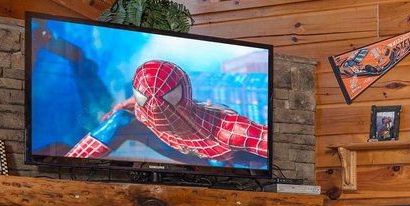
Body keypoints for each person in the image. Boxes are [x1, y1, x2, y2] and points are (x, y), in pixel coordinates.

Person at [63, 59, 268, 164]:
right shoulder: (146, 103)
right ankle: (64, 165)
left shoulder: (230, 130)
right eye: (145, 98)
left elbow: (267, 143)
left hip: (216, 154)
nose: (153, 105)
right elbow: (147, 92)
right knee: (120, 120)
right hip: (184, 145)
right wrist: (122, 105)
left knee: (250, 163)